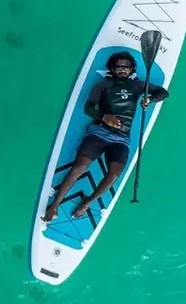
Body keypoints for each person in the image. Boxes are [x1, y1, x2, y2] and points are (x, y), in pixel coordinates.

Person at [43, 50, 169, 222]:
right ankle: (54, 206)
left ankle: (88, 202)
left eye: (126, 67)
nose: (123, 70)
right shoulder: (103, 84)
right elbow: (88, 108)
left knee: (113, 176)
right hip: (99, 132)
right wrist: (104, 117)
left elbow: (163, 92)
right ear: (112, 69)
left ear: (132, 69)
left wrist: (149, 99)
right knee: (79, 168)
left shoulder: (138, 85)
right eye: (119, 67)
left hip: (122, 138)